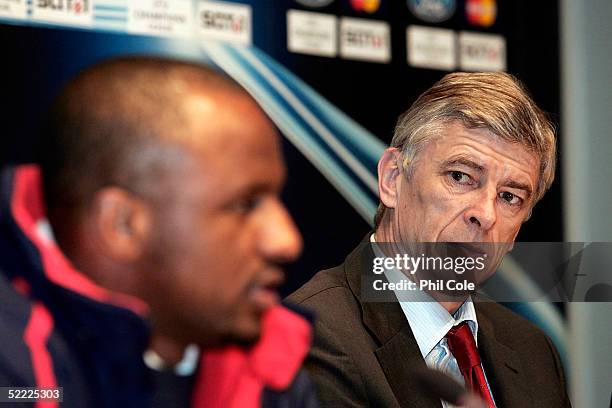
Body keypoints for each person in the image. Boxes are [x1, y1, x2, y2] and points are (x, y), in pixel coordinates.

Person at [0, 57, 318, 407]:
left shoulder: (270, 364)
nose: (287, 241)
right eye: (245, 204)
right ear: (122, 225)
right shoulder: (14, 373)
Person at [288, 72, 571, 407]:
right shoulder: (309, 339)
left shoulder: (534, 351)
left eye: (510, 197)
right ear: (393, 178)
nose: (486, 214)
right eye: (460, 176)